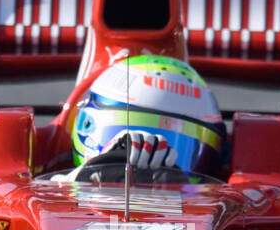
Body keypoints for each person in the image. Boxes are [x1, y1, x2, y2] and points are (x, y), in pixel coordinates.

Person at [57, 54, 227, 182]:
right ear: (86, 126)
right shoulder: (51, 189)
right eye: (126, 149)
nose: (145, 172)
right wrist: (80, 178)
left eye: (180, 150)